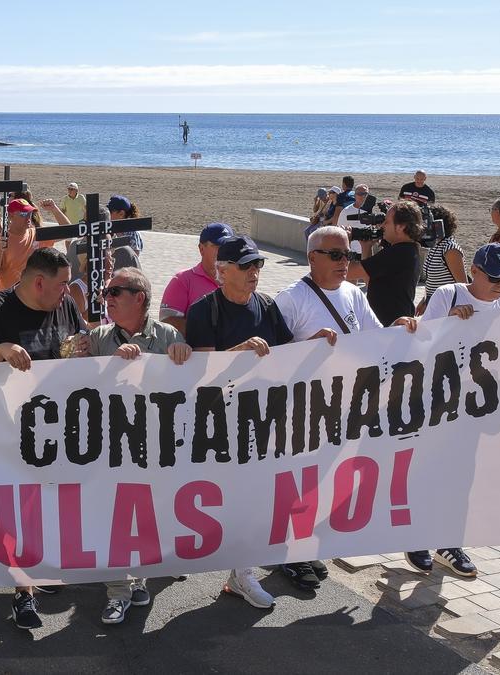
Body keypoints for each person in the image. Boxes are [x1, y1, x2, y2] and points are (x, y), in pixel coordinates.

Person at [272, 225, 417, 590]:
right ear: (312, 258)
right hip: (303, 409)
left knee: (324, 479)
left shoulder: (353, 293)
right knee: (300, 481)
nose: (345, 262)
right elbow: (270, 361)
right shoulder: (291, 300)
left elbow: (375, 338)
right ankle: (288, 554)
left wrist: (401, 329)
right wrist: (305, 347)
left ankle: (304, 549)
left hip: (344, 408)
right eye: (336, 255)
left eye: (349, 255)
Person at [406, 242, 500, 578]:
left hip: (477, 406)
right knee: (430, 470)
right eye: (495, 279)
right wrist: (450, 323)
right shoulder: (449, 295)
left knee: (463, 474)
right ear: (474, 271)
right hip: (439, 401)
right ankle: (416, 537)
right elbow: (420, 343)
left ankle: (448, 540)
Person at [0, 247, 88, 629]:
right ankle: (23, 593)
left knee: (46, 509)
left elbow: (76, 341)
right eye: (62, 284)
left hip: (55, 431)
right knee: (17, 514)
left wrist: (84, 348)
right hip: (8, 435)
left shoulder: (64, 306)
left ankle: (38, 570)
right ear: (38, 282)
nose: (67, 291)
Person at [184, 235, 293, 610]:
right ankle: (167, 560)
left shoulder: (267, 306)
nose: (254, 273)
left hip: (261, 421)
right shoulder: (203, 311)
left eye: (258, 265)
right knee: (212, 500)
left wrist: (324, 342)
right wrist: (240, 352)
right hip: (217, 425)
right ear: (222, 271)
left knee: (254, 500)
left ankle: (242, 574)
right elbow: (201, 377)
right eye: (246, 267)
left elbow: (289, 356)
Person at [81, 268, 192, 624]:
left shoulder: (167, 335)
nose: (107, 298)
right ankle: (117, 592)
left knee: (148, 516)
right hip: (112, 446)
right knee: (115, 518)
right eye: (106, 293)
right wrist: (100, 365)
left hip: (155, 446)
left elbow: (186, 386)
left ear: (139, 297)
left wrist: (182, 353)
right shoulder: (97, 337)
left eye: (116, 292)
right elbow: (75, 386)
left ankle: (139, 577)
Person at [345, 200, 423, 325]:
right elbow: (372, 282)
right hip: (393, 325)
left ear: (401, 226)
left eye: (387, 222)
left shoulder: (398, 252)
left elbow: (346, 272)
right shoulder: (408, 250)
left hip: (392, 327)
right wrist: (366, 247)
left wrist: (342, 243)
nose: (382, 226)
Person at [160, 222, 234, 332]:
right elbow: (167, 323)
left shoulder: (240, 279)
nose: (224, 251)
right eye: (217, 246)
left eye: (228, 246)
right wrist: (212, 330)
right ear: (201, 249)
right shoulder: (182, 280)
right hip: (193, 348)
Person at [0, 199, 55, 290]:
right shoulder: (0, 240)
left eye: (30, 213)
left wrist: (54, 209)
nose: (28, 217)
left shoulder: (36, 234)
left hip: (32, 297)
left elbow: (69, 233)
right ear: (11, 215)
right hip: (8, 297)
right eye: (23, 214)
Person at [420, 205, 467, 309]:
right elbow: (432, 281)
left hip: (448, 305)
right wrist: (425, 299)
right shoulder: (436, 245)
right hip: (435, 303)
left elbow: (463, 284)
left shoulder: (450, 249)